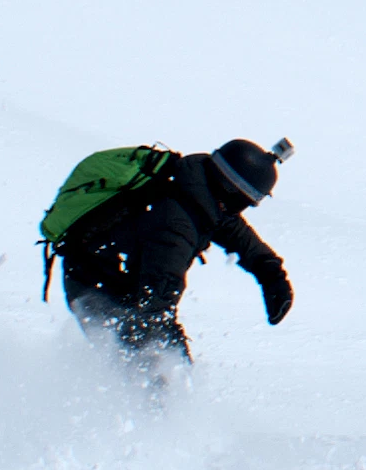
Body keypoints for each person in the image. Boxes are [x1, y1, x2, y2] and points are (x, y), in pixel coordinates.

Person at [56, 139, 294, 378]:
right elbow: (156, 301)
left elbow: (233, 230)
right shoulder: (176, 225)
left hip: (112, 277)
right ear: (230, 189)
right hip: (95, 288)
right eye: (244, 202)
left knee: (153, 364)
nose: (240, 210)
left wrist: (270, 272)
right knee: (145, 376)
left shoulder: (194, 187)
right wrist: (175, 361)